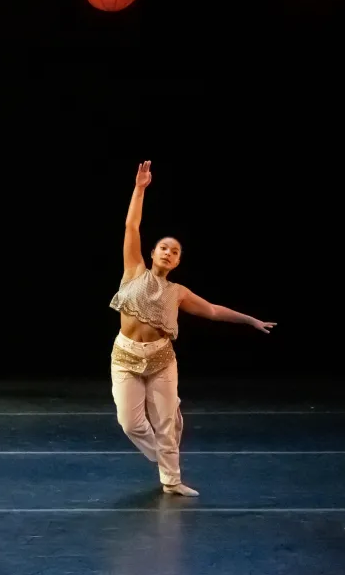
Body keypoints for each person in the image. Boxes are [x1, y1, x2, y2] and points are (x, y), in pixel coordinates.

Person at [111, 160, 275, 496]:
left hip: (161, 359)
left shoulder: (178, 293)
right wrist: (140, 189)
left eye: (175, 252)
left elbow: (213, 311)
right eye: (164, 248)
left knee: (168, 421)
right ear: (153, 253)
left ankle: (171, 480)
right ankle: (165, 459)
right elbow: (131, 227)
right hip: (125, 355)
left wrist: (250, 319)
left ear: (178, 262)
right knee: (130, 423)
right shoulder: (134, 270)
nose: (168, 252)